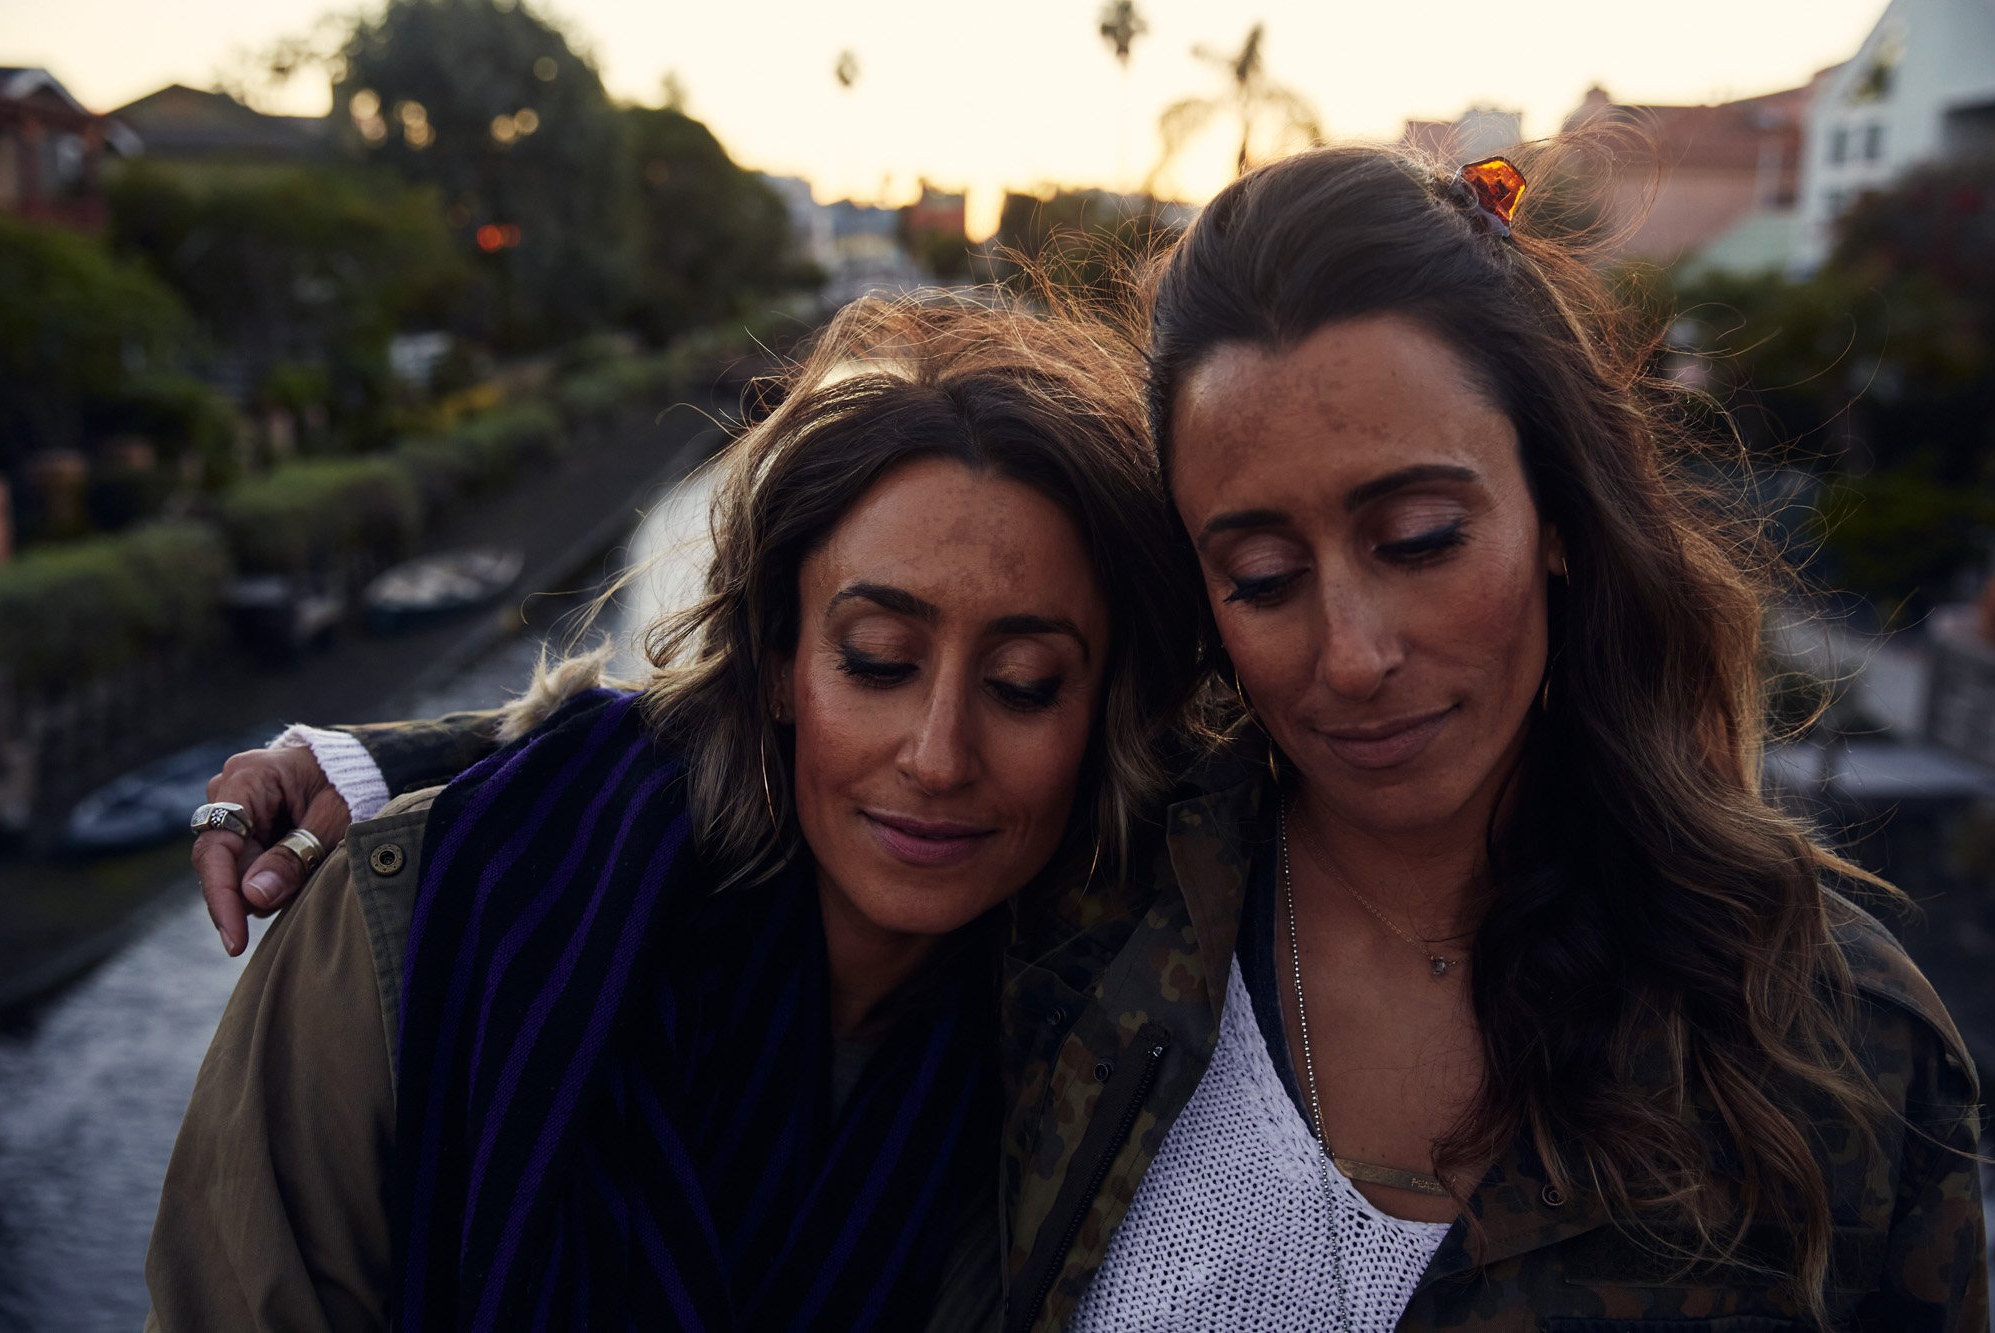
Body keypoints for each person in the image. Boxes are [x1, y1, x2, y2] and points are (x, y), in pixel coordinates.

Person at [196, 146, 1986, 1331]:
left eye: (1423, 538)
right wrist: (401, 774)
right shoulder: (1126, 877)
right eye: (1261, 570)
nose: (1354, 653)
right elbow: (785, 736)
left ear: (1564, 513)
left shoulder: (1838, 1051)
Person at [149, 295, 1200, 1332]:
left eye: (1022, 683)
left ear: (1104, 711)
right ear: (777, 662)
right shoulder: (414, 918)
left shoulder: (1089, 1053)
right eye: (877, 661)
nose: (936, 756)